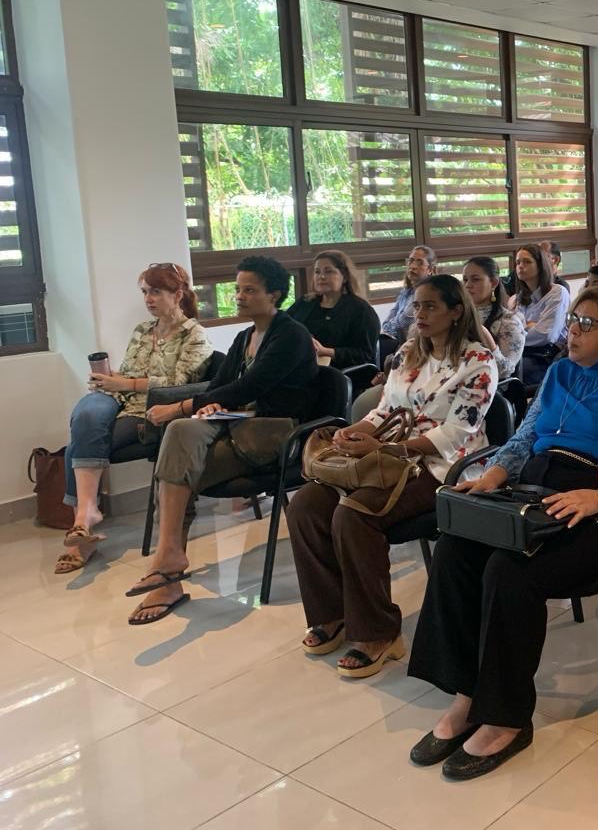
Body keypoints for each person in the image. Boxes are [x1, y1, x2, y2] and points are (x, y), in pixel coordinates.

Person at [404, 287, 598, 779]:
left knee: (510, 570)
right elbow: (525, 437)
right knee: (455, 550)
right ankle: (468, 695)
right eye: (573, 320)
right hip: (536, 492)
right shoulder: (560, 373)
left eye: (587, 324)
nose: (572, 331)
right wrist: (495, 473)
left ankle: (506, 718)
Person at [287, 275, 497, 678]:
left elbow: (456, 433)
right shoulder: (407, 353)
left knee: (355, 514)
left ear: (456, 312)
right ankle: (332, 613)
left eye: (431, 306)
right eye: (417, 305)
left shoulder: (478, 362)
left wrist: (387, 449)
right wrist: (353, 432)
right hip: (384, 458)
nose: (419, 314)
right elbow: (384, 411)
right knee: (305, 507)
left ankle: (378, 632)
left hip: (443, 467)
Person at [124, 256, 318, 625]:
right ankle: (169, 559)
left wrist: (181, 406)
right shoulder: (245, 337)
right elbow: (221, 387)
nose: (239, 296)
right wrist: (207, 405)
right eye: (237, 289)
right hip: (238, 426)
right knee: (179, 436)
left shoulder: (291, 334)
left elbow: (251, 387)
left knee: (178, 464)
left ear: (274, 295)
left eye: (249, 290)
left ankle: (168, 574)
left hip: (276, 434)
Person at [55, 263, 214, 574]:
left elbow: (179, 383)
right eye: (145, 292)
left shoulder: (195, 335)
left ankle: (81, 530)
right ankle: (87, 514)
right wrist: (110, 379)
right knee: (87, 414)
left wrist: (124, 384)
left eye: (156, 292)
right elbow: (129, 372)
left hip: (152, 410)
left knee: (78, 446)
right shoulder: (143, 330)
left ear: (177, 294)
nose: (148, 299)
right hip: (120, 400)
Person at [286, 250, 380, 368]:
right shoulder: (305, 302)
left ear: (344, 277)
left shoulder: (361, 310)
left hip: (337, 372)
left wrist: (325, 351)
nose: (321, 276)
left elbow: (364, 354)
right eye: (317, 272)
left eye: (328, 271)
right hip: (297, 365)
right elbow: (283, 326)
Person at [512, 244, 570, 388]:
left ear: (540, 265)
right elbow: (513, 329)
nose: (520, 266)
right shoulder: (520, 297)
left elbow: (546, 335)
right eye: (518, 262)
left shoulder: (558, 292)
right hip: (523, 351)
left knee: (513, 376)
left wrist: (523, 330)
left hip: (548, 355)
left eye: (527, 262)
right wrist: (531, 326)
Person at [462, 257, 525, 382]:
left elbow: (504, 372)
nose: (468, 285)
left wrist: (488, 340)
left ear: (494, 283)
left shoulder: (509, 322)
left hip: (490, 387)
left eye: (475, 279)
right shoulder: (457, 316)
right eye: (465, 280)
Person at [383, 246, 436, 344]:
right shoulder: (406, 291)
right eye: (411, 261)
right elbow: (389, 318)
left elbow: (401, 324)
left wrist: (388, 327)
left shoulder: (427, 295)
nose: (413, 266)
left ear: (430, 269)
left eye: (420, 262)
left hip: (411, 344)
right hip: (395, 341)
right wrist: (387, 328)